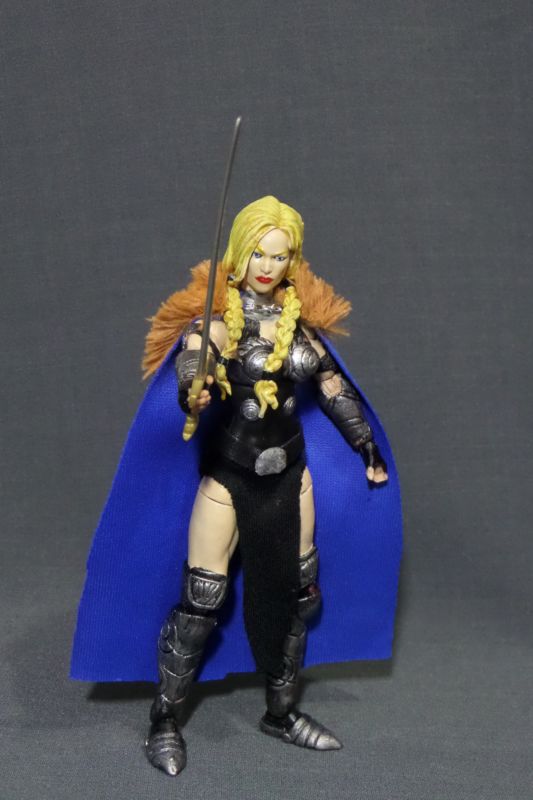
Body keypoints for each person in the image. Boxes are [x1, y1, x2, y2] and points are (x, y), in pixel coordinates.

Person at [71, 195, 402, 778]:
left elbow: (331, 385)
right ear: (240, 253)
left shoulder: (299, 324)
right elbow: (196, 356)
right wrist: (193, 387)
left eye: (280, 256)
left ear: (293, 260)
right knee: (201, 602)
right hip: (230, 480)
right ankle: (164, 720)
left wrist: (364, 443)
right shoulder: (219, 320)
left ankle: (281, 713)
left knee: (298, 595)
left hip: (291, 478)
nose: (268, 266)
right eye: (258, 254)